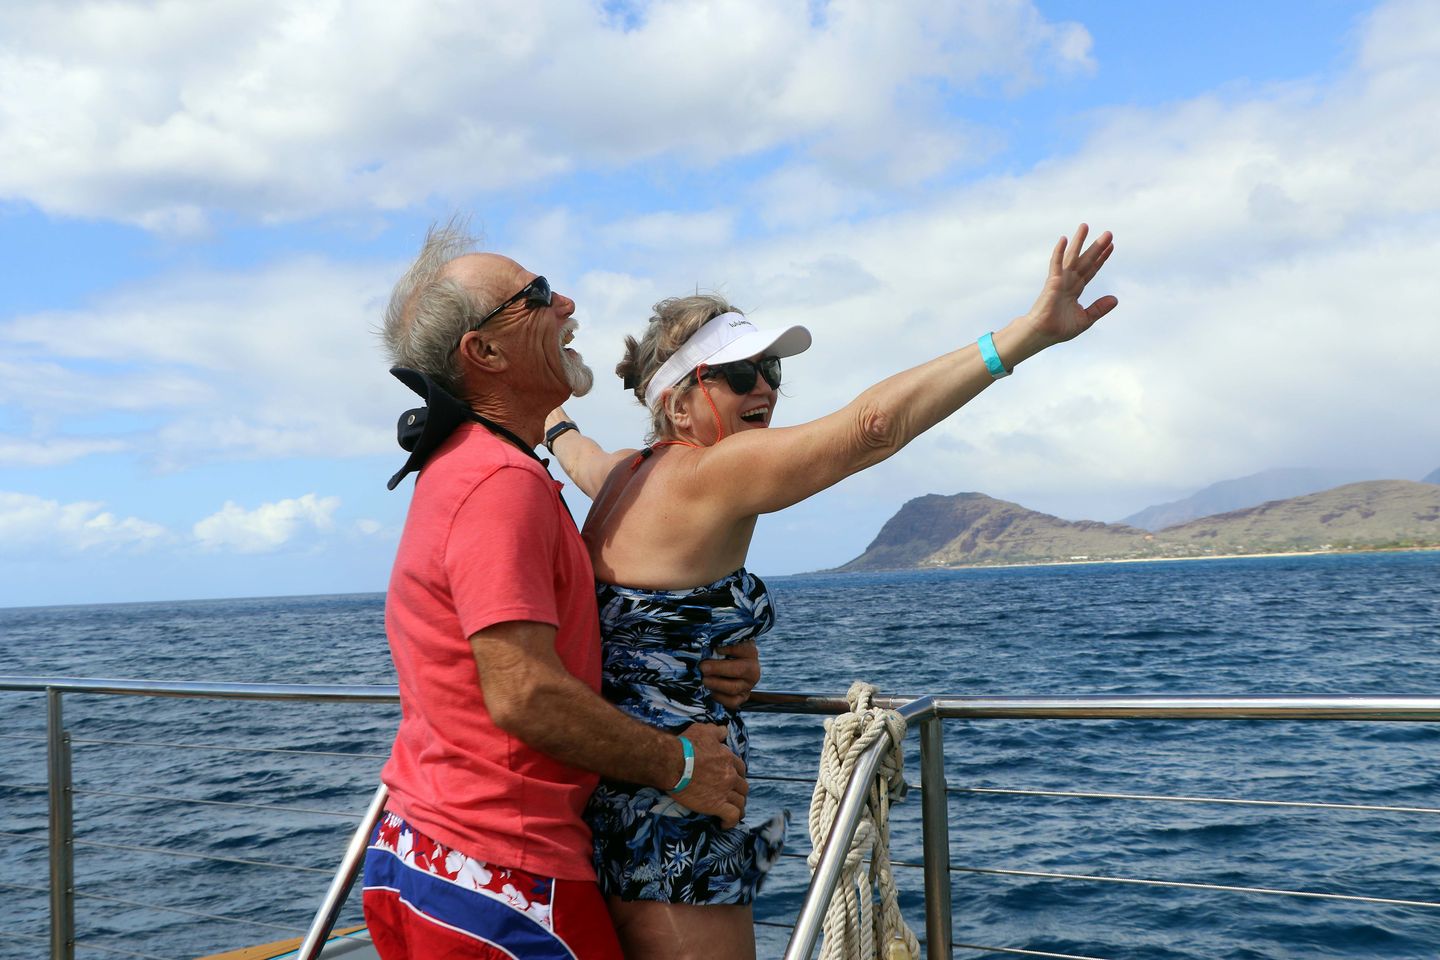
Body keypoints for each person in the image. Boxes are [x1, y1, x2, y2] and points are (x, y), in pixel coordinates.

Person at [544, 224, 1117, 960]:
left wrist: (550, 415)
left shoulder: (624, 476)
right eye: (740, 374)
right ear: (678, 404)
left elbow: (574, 449)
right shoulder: (710, 473)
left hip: (617, 791)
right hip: (676, 803)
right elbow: (871, 429)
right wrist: (1024, 335)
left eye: (772, 372)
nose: (765, 388)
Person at [361, 220, 762, 960]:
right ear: (482, 352)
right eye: (539, 296)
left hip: (425, 852)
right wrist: (679, 765)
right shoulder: (497, 483)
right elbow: (523, 693)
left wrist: (699, 652)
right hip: (500, 883)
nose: (568, 302)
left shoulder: (466, 464)